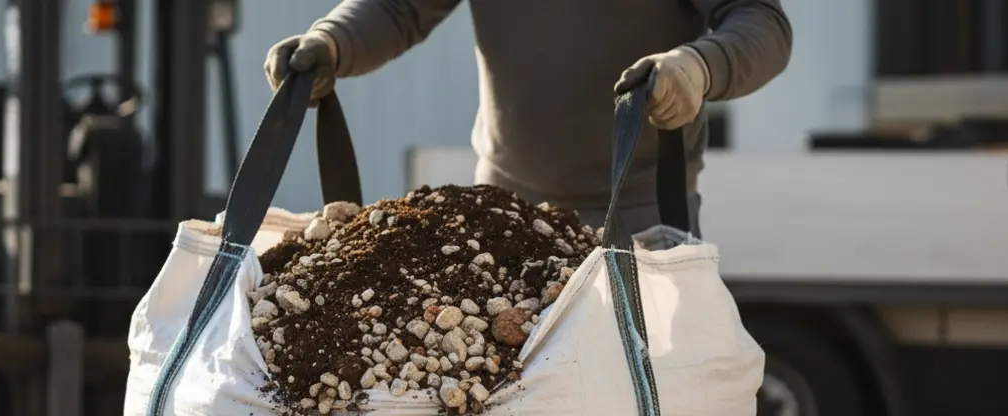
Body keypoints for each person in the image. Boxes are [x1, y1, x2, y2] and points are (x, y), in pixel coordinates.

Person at [264, 0, 792, 237]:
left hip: (639, 218)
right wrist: (333, 41)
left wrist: (700, 66)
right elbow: (399, 8)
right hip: (503, 214)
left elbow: (761, 20)